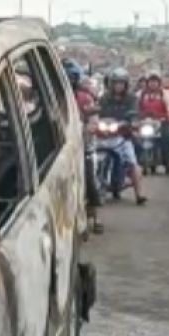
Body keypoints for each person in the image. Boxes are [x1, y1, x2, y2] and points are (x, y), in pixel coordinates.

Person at [98, 67, 148, 204]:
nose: (118, 85)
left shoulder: (131, 99)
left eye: (121, 83)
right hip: (104, 135)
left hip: (123, 136)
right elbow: (97, 112)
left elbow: (135, 113)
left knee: (132, 162)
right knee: (89, 157)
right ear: (111, 84)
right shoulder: (104, 98)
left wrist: (132, 122)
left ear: (126, 84)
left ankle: (139, 194)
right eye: (116, 82)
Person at [66, 59, 104, 234]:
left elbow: (93, 123)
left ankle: (96, 218)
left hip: (84, 147)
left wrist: (81, 132)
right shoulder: (52, 95)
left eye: (70, 78)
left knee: (89, 182)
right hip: (62, 149)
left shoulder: (84, 98)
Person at [138, 72, 169, 167]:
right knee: (133, 137)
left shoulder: (164, 93)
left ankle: (168, 159)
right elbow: (134, 105)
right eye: (151, 81)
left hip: (161, 121)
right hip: (144, 122)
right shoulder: (141, 94)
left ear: (159, 82)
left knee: (166, 137)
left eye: (155, 81)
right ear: (147, 83)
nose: (153, 83)